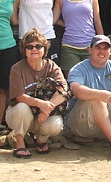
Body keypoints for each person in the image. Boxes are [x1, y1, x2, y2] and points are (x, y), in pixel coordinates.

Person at [5, 28, 67, 157]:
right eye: (29, 46)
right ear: (24, 50)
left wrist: (47, 108)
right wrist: (40, 104)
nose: (34, 49)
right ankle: (20, 143)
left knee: (56, 124)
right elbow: (19, 96)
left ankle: (41, 140)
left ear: (44, 49)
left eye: (38, 46)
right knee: (22, 107)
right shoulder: (17, 68)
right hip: (20, 115)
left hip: (43, 114)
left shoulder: (52, 66)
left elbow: (63, 90)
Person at [53, 0, 103, 73]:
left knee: (90, 81)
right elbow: (54, 20)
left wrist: (103, 41)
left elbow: (97, 20)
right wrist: (67, 23)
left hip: (89, 46)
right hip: (69, 46)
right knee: (72, 82)